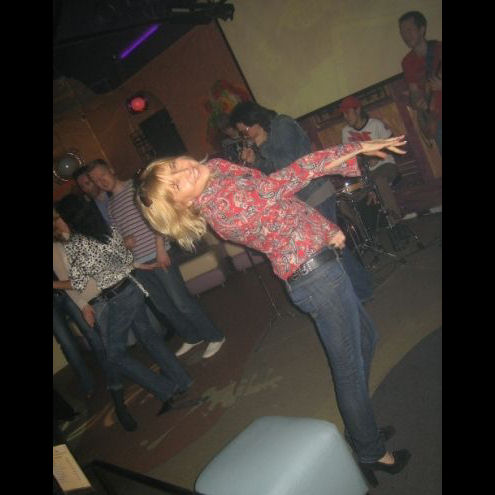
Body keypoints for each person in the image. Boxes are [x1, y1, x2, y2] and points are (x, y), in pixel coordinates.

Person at [135, 136, 411, 485]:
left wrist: (326, 229)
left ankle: (361, 426)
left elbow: (284, 204)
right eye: (176, 184)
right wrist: (354, 149)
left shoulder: (216, 170)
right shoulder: (225, 203)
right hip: (317, 281)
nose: (184, 171)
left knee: (367, 340)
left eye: (174, 166)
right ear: (184, 204)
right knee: (350, 371)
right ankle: (369, 449)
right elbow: (290, 178)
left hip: (320, 266)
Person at [53, 194, 193, 420]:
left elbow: (78, 283)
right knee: (149, 338)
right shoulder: (104, 229)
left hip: (118, 298)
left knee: (115, 355)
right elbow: (126, 258)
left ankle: (168, 390)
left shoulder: (77, 244)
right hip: (132, 287)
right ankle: (183, 380)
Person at [229, 101, 373, 303]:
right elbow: (276, 173)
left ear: (253, 120)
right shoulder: (267, 135)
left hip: (316, 192)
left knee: (331, 249)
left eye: (244, 129)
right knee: (331, 250)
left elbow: (290, 161)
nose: (246, 134)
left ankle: (362, 291)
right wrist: (256, 162)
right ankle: (359, 291)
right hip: (303, 200)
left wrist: (263, 144)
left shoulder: (282, 124)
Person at [86, 159, 225, 359]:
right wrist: (124, 243)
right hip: (140, 265)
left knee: (181, 302)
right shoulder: (111, 207)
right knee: (164, 307)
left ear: (111, 169)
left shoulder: (137, 188)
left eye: (103, 175)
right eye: (96, 180)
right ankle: (192, 336)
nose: (101, 181)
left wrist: (161, 247)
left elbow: (160, 214)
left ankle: (215, 336)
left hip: (158, 254)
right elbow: (118, 237)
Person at [54, 210, 138, 431]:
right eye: (58, 217)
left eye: (62, 214)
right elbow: (71, 283)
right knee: (104, 348)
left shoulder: (80, 233)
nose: (63, 218)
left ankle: (145, 382)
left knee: (116, 346)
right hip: (94, 300)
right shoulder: (57, 247)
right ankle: (119, 402)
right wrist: (84, 306)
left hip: (112, 290)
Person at [340, 95, 403, 224]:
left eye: (347, 113)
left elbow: (394, 144)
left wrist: (377, 155)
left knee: (379, 181)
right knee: (343, 198)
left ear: (358, 110)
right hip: (365, 174)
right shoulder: (346, 132)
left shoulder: (375, 124)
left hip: (385, 166)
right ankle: (364, 232)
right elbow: (349, 157)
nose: (345, 117)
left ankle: (396, 222)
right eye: (343, 114)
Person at [399, 11, 442, 154]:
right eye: (402, 32)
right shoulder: (407, 62)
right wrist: (418, 101)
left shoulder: (439, 49)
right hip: (435, 120)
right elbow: (414, 93)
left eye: (409, 30)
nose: (405, 36)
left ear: (422, 29)